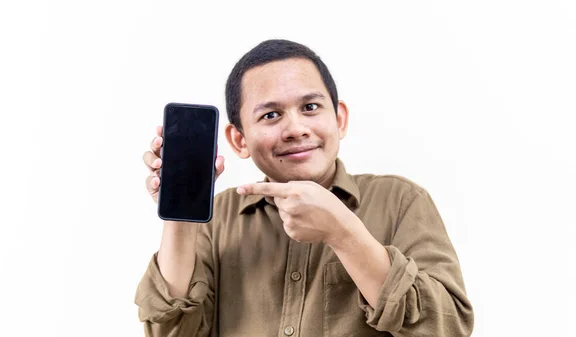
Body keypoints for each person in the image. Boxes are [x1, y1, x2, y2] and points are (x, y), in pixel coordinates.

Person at [135, 39, 474, 337]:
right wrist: (179, 217)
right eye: (270, 115)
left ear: (339, 119)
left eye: (310, 107)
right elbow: (173, 331)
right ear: (239, 139)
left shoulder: (402, 201)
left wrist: (344, 234)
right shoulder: (216, 217)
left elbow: (448, 328)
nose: (295, 129)